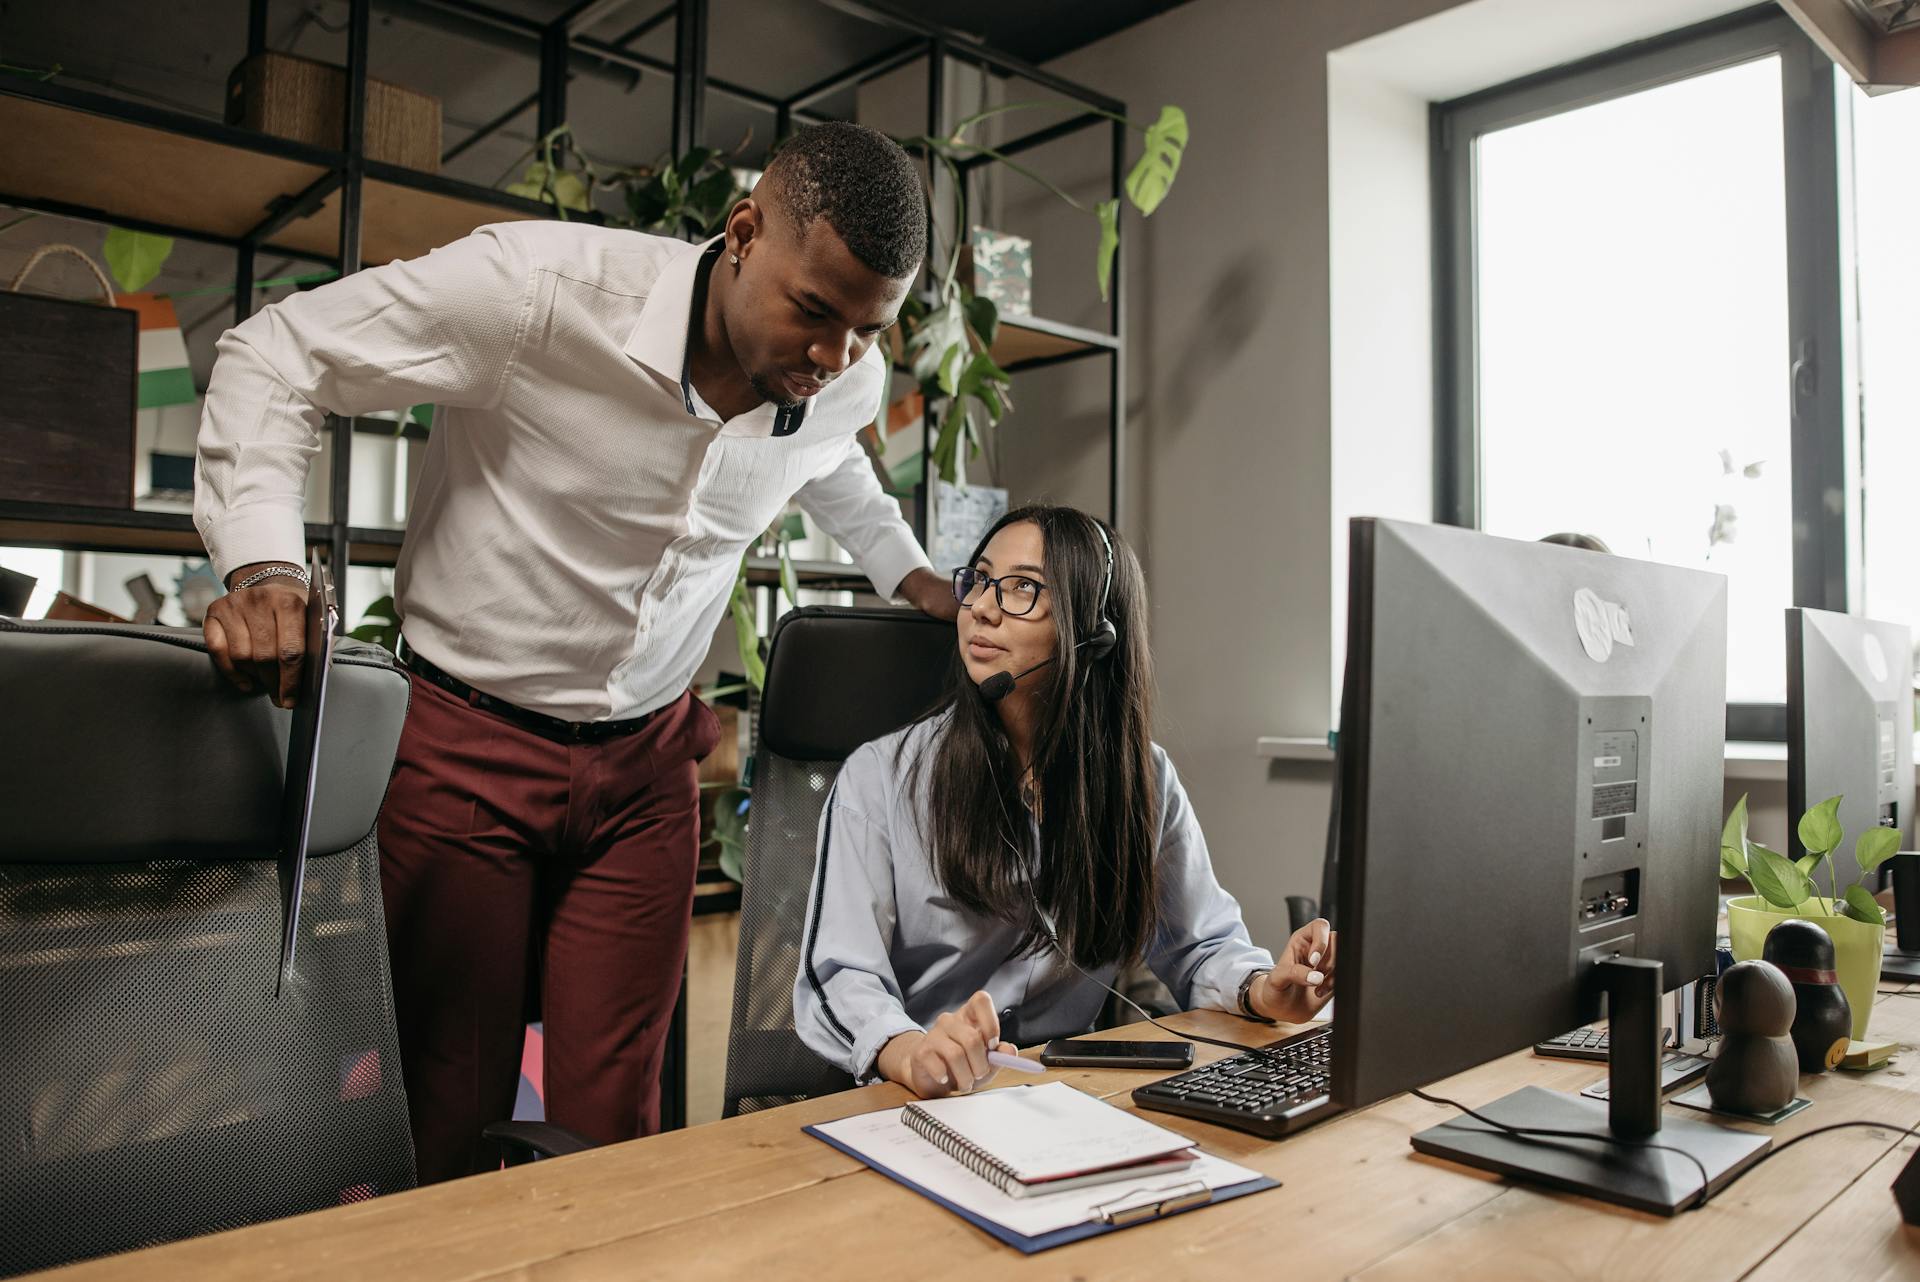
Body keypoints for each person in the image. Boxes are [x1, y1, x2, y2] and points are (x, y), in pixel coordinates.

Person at [193, 122, 959, 1179]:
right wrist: (265, 567)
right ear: (743, 233)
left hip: (645, 776)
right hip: (464, 746)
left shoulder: (837, 382)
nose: (832, 360)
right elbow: (279, 353)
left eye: (865, 333)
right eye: (815, 313)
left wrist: (910, 572)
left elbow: (831, 464)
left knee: (615, 1137)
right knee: (448, 1118)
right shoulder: (533, 293)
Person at [794, 504, 1335, 1097]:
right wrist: (908, 1051)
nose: (980, 607)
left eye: (1022, 587)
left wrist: (1264, 987)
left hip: (1063, 1095)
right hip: (913, 1097)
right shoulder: (881, 779)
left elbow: (1198, 944)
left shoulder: (1142, 779)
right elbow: (839, 976)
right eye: (978, 579)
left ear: (1093, 632)